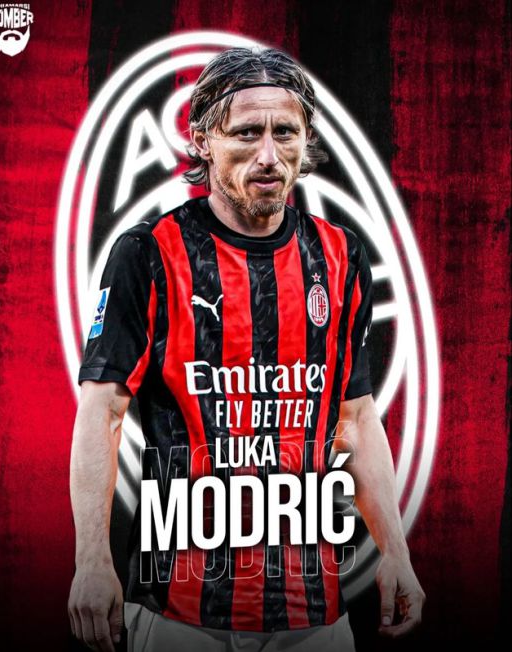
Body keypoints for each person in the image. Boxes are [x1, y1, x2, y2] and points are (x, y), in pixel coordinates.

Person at [68, 47, 425, 652]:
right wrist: (92, 561)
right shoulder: (149, 252)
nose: (268, 155)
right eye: (246, 133)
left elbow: (357, 420)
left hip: (313, 613)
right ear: (203, 140)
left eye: (284, 132)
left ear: (306, 140)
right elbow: (102, 410)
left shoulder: (341, 256)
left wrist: (396, 551)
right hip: (180, 610)